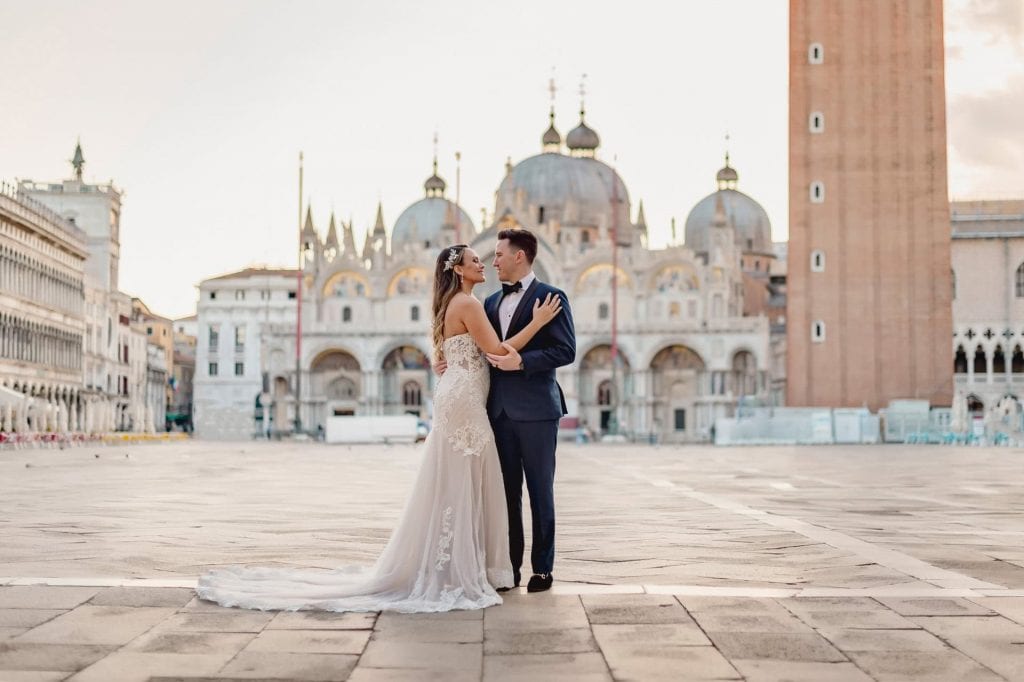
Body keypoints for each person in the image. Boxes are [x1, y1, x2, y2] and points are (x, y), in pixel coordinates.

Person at [196, 244, 562, 613]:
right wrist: (537, 323)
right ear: (459, 271)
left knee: (455, 482)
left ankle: (452, 565)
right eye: (474, 260)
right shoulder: (467, 304)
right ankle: (462, 568)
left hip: (458, 395)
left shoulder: (453, 304)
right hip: (465, 401)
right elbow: (496, 352)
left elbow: (454, 353)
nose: (483, 262)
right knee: (466, 481)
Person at [484, 229, 576, 593]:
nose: (494, 261)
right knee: (506, 494)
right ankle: (510, 568)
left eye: (498, 254)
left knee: (540, 490)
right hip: (500, 412)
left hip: (538, 410)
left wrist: (522, 362)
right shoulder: (490, 303)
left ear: (519, 256)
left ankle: (542, 568)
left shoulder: (552, 297)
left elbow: (565, 351)